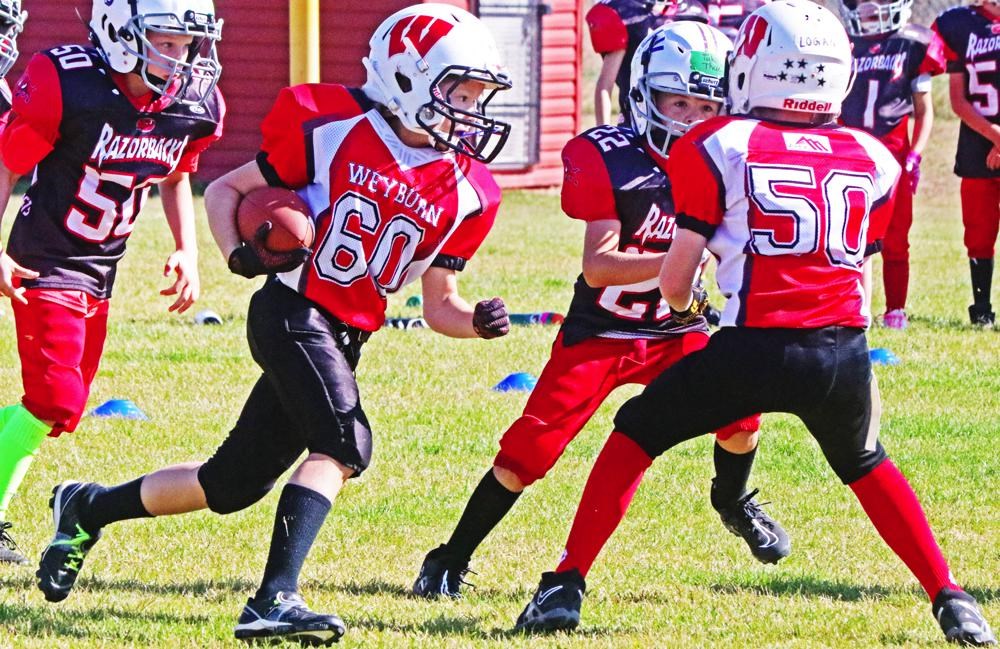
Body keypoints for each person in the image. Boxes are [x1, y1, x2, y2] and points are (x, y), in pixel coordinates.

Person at [514, 2, 997, 646]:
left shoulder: (717, 143)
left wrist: (687, 312)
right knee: (867, 463)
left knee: (633, 434)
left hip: (751, 346)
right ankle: (952, 597)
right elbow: (861, 270)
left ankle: (566, 582)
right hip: (840, 348)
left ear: (756, 68)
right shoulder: (870, 155)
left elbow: (677, 277)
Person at [35, 4, 513, 645]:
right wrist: (239, 252)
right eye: (460, 89)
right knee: (346, 444)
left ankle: (87, 507)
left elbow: (438, 304)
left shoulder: (470, 189)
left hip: (348, 337)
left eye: (480, 94)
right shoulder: (334, 125)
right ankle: (273, 600)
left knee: (229, 483)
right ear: (406, 76)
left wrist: (474, 324)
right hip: (292, 309)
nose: (470, 108)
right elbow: (227, 190)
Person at [412, 20, 788, 603]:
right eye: (678, 101)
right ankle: (449, 557)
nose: (690, 117)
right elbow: (600, 266)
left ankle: (734, 500)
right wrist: (681, 256)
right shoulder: (608, 156)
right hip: (604, 331)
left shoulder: (729, 160)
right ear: (644, 94)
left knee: (742, 418)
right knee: (527, 453)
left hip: (676, 328)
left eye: (705, 104)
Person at [0, 0, 222, 566]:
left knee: (57, 412)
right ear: (121, 32)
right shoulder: (71, 84)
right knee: (55, 398)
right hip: (45, 259)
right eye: (167, 42)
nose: (181, 59)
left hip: (102, 267)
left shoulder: (188, 102)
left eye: (186, 44)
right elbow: (6, 162)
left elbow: (177, 174)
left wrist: (187, 249)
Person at [837, 0, 945, 330]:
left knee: (897, 236)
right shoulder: (842, 43)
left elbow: (924, 111)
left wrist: (915, 154)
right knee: (847, 235)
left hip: (893, 154)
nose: (869, 5)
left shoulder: (912, 42)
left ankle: (895, 308)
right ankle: (849, 304)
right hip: (849, 152)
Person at [932, 0, 1000, 326]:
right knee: (978, 230)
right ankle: (981, 310)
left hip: (987, 140)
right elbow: (957, 99)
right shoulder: (960, 24)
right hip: (976, 141)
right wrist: (995, 136)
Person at [587, 0, 708, 126]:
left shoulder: (694, 13)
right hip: (635, 119)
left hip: (682, 120)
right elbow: (606, 83)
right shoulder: (627, 13)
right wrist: (603, 128)